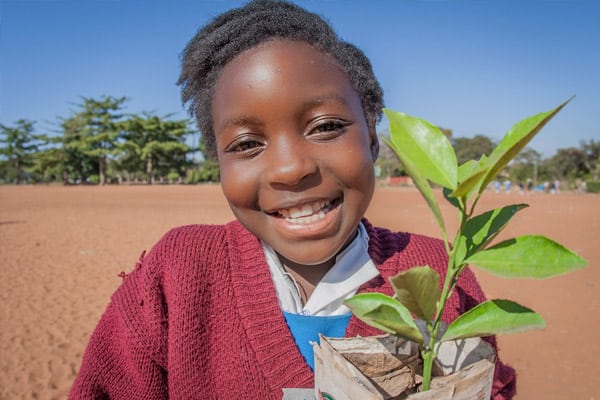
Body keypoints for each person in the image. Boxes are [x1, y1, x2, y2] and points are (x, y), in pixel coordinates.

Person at [69, 1, 515, 399]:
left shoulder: (438, 271)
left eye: (325, 127)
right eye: (246, 144)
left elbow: (487, 383)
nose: (290, 169)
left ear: (373, 139)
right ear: (218, 162)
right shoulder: (179, 274)